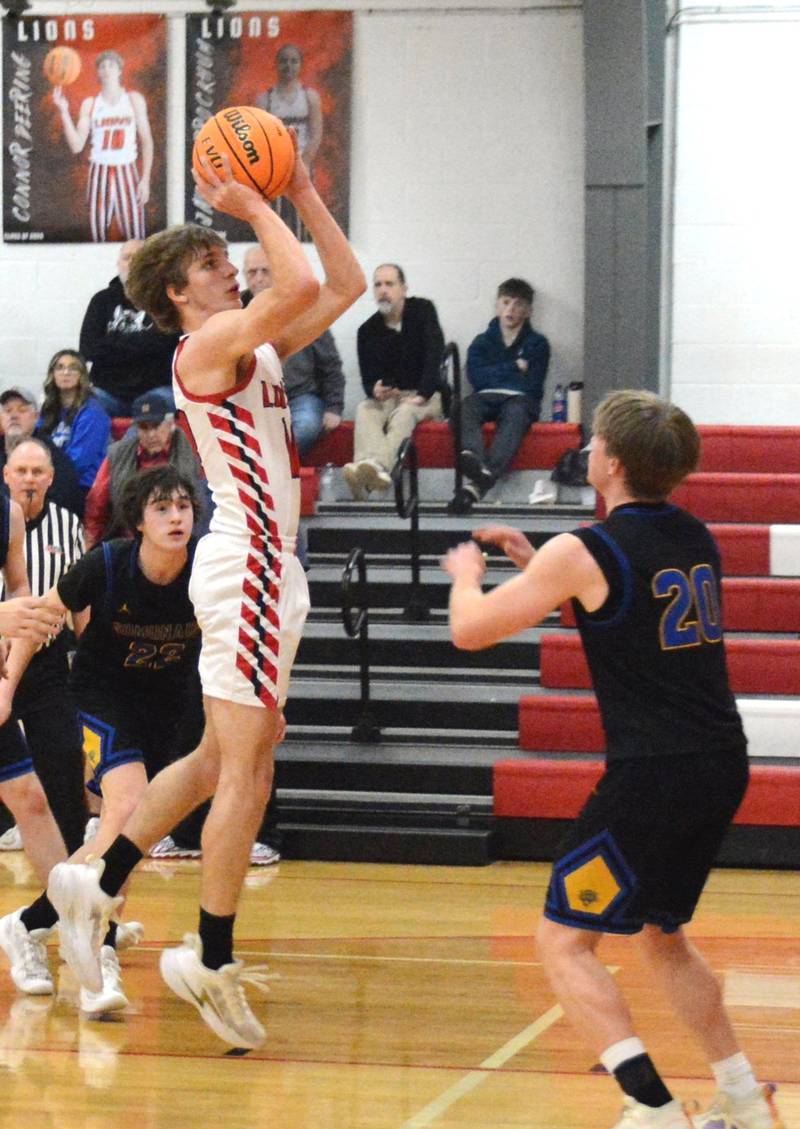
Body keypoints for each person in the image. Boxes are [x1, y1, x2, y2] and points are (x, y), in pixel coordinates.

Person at [44, 138, 365, 1048]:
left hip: (264, 567)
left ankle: (97, 877)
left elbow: (333, 286)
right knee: (248, 768)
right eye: (216, 263)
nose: (234, 267)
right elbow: (297, 283)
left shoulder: (252, 349)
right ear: (180, 294)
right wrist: (262, 202)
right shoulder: (206, 346)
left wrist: (300, 184)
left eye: (231, 260)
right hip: (253, 560)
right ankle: (209, 955)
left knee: (223, 759)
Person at [442, 390, 782, 1129]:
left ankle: (652, 1107)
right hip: (719, 762)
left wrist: (466, 573)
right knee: (663, 936)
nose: (587, 449)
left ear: (613, 463)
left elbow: (470, 632)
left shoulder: (585, 549)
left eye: (594, 440)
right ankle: (742, 1096)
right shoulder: (696, 535)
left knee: (563, 942)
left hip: (653, 774)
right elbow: (629, 614)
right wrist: (543, 568)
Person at [0, 467, 205, 1013]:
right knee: (129, 804)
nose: (176, 517)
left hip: (165, 710)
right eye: (162, 508)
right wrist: (6, 686)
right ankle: (100, 956)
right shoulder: (107, 563)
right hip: (99, 698)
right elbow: (40, 618)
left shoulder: (206, 571)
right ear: (139, 521)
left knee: (130, 836)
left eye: (183, 507)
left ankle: (31, 922)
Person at [0, 439, 87, 858]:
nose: (30, 479)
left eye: (38, 472)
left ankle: (66, 894)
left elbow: (71, 596)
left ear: (51, 479)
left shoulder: (61, 524)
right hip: (3, 657)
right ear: (7, 475)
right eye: (22, 471)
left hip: (43, 660)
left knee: (55, 773)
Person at [448, 278, 550, 514]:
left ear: (528, 311)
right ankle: (473, 458)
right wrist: (515, 366)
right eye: (505, 302)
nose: (510, 310)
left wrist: (496, 373)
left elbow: (533, 385)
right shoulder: (481, 342)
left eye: (518, 304)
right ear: (497, 306)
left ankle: (480, 480)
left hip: (520, 399)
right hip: (484, 396)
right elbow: (477, 378)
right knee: (463, 407)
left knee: (516, 415)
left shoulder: (538, 344)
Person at [346, 264, 445, 500]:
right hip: (391, 396)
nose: (383, 290)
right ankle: (366, 465)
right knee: (364, 408)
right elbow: (368, 379)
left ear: (404, 289)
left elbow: (435, 354)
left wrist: (422, 394)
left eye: (389, 284)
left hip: (426, 394)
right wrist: (374, 389)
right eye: (378, 285)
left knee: (404, 413)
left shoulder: (423, 310)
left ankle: (377, 468)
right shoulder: (367, 330)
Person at [241, 246, 344, 454]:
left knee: (305, 427)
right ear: (245, 275)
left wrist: (334, 408)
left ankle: (266, 471)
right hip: (250, 398)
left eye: (265, 271)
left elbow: (330, 365)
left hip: (299, 397)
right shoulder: (234, 311)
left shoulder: (306, 309)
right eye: (252, 272)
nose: (258, 279)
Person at [52, 51, 153, 243]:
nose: (107, 69)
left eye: (111, 65)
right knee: (97, 236)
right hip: (100, 170)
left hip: (127, 170)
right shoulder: (90, 104)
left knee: (136, 238)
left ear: (119, 70)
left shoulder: (133, 99)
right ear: (98, 72)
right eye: (102, 66)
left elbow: (147, 141)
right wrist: (64, 111)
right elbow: (76, 145)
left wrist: (145, 179)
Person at [83, 391, 205, 549]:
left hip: (181, 543)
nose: (151, 434)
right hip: (127, 542)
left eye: (156, 426)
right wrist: (90, 546)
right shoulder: (118, 455)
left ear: (171, 424)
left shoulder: (194, 454)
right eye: (143, 427)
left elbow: (203, 505)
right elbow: (96, 505)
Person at [79, 240, 179, 417]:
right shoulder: (101, 300)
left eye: (139, 258)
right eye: (127, 258)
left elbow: (166, 345)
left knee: (150, 408)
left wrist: (112, 343)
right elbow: (88, 349)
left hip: (156, 391)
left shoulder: (165, 301)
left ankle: (127, 446)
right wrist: (142, 344)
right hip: (107, 393)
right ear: (118, 264)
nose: (132, 263)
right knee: (85, 405)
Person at [255, 43, 323, 240]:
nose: (289, 66)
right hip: (276, 160)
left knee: (302, 207)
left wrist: (306, 160)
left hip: (302, 159)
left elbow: (316, 132)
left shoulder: (310, 97)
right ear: (277, 64)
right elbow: (260, 135)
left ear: (300, 65)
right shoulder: (265, 99)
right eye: (284, 61)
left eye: (294, 61)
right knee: (276, 209)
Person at [37, 349, 111, 498]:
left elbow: (78, 463)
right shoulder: (49, 410)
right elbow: (35, 442)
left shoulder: (93, 412)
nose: (66, 372)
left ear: (81, 375)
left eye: (73, 368)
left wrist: (43, 475)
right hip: (50, 479)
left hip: (81, 487)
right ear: (53, 375)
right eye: (60, 367)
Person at [0, 388, 83, 518]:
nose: (14, 416)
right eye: (8, 411)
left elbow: (65, 501)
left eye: (22, 410)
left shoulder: (52, 457)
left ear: (36, 417)